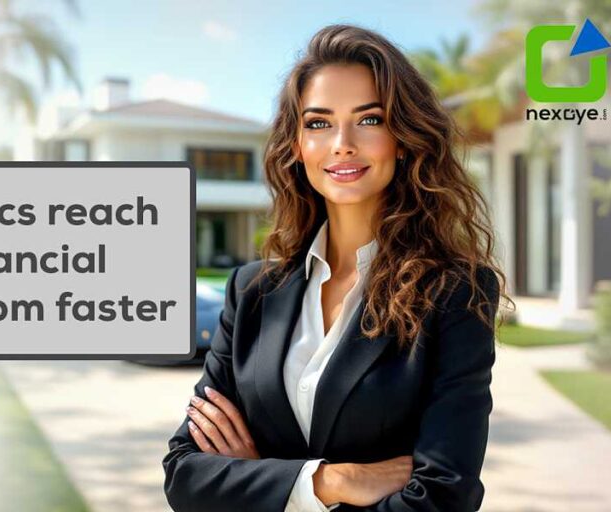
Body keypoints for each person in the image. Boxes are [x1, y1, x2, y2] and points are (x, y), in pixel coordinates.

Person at [163, 23, 512, 512]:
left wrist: (259, 477)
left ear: (404, 137)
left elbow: (442, 498)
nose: (342, 143)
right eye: (319, 123)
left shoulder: (453, 293)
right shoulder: (252, 291)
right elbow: (184, 475)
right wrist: (330, 481)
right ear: (298, 145)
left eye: (369, 120)